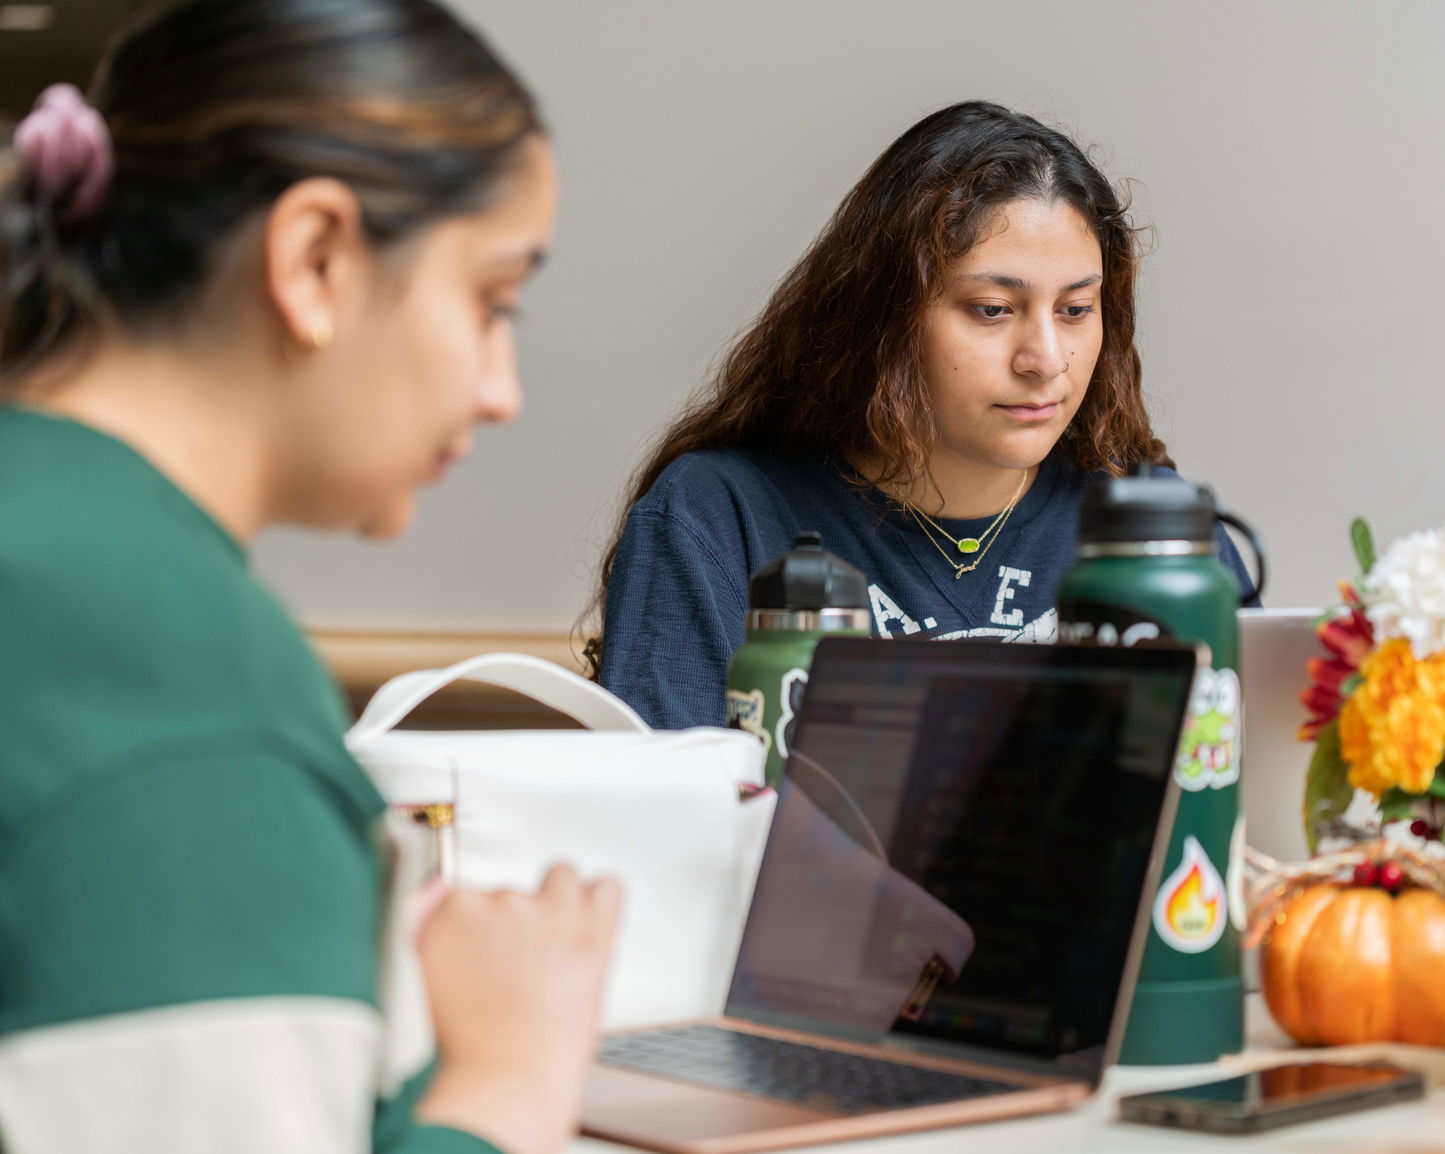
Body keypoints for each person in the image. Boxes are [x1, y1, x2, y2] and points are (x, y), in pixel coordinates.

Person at [0, 3, 617, 1153]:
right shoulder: (178, 688)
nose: (501, 389)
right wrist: (505, 1081)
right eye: (490, 302)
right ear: (316, 257)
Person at [590, 101, 1254, 730]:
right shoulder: (718, 517)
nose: (1046, 359)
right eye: (993, 309)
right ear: (887, 316)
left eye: (1075, 310)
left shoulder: (1163, 540)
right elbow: (668, 824)